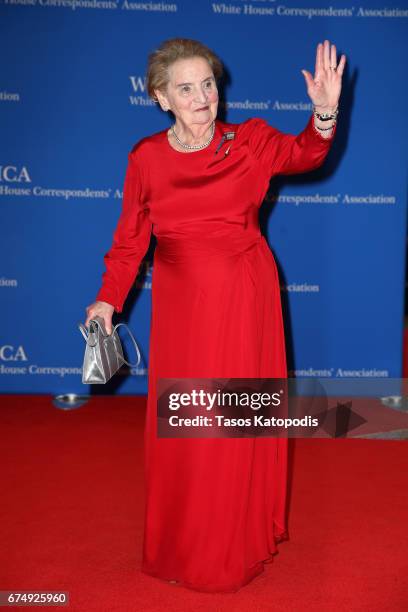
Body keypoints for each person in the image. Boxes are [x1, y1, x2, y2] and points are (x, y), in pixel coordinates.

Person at [84, 37, 345, 593]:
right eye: (187, 88)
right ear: (160, 98)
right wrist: (108, 299)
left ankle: (230, 544)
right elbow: (130, 242)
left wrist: (323, 112)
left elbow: (306, 153)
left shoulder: (249, 140)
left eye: (209, 85)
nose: (203, 97)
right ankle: (182, 540)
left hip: (245, 295)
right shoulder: (146, 158)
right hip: (181, 303)